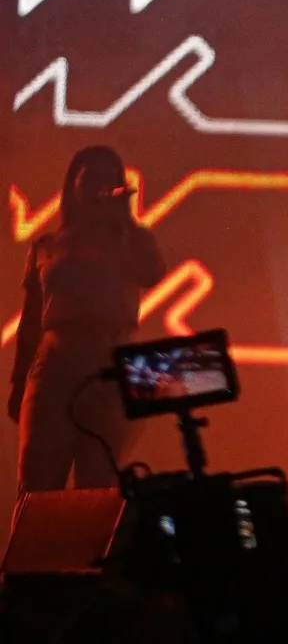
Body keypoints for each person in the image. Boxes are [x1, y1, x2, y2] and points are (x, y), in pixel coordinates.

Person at [9, 146, 165, 497]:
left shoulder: (130, 239)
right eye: (90, 177)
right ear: (73, 185)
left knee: (98, 485)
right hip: (55, 364)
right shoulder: (47, 245)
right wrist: (19, 381)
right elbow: (31, 320)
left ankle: (91, 552)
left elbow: (152, 272)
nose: (100, 186)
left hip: (111, 365)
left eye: (109, 178)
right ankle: (34, 551)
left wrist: (125, 221)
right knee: (37, 484)